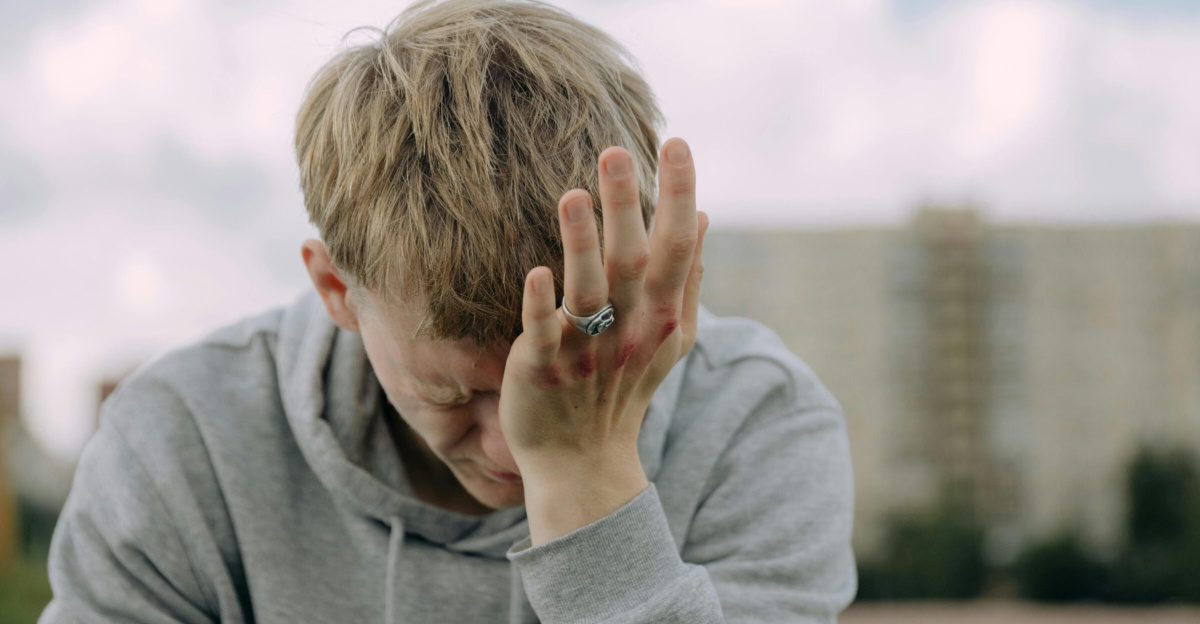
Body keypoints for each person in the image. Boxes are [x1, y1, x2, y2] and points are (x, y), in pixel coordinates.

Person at [39, 0, 856, 622]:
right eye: (457, 392)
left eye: (574, 364)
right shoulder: (182, 445)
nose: (516, 443)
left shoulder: (758, 423)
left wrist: (586, 481)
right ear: (336, 291)